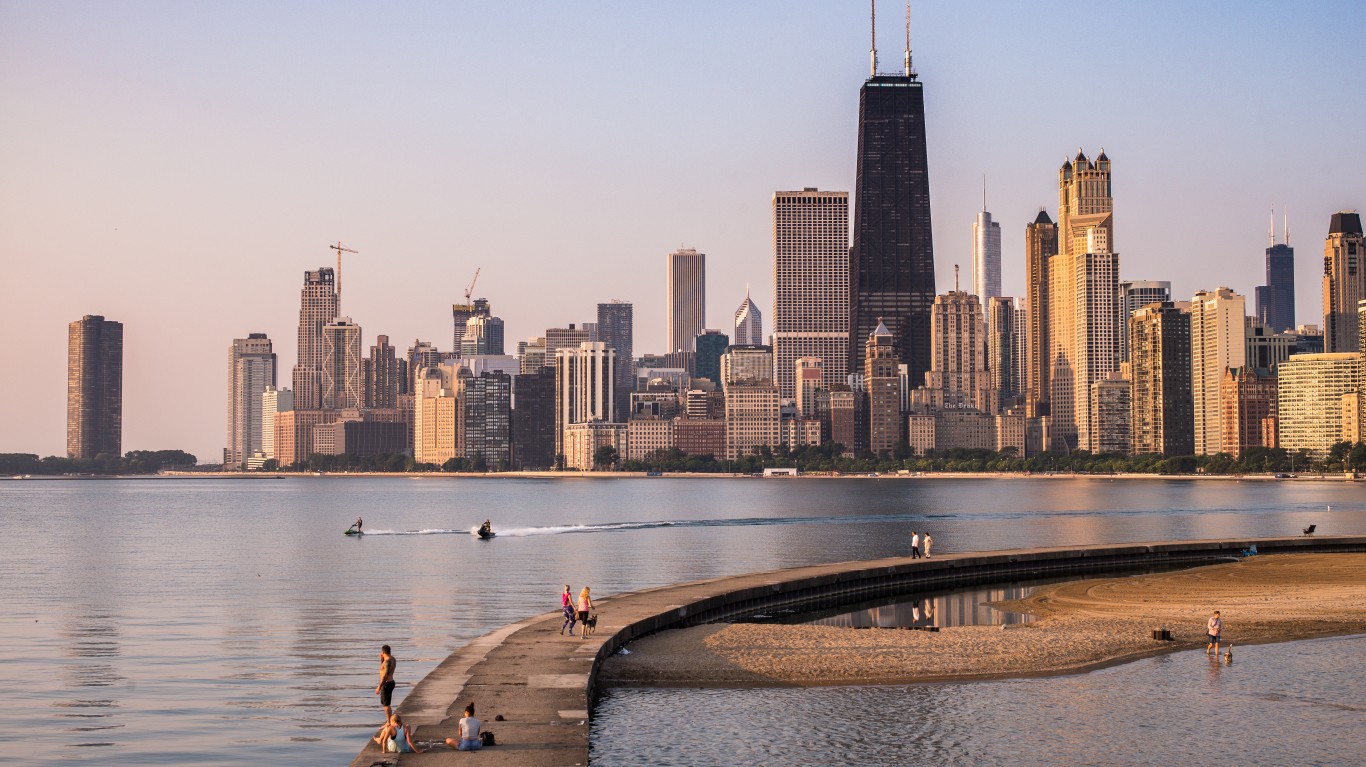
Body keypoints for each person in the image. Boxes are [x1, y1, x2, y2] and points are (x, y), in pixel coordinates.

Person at [376, 645, 396, 720]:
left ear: (383, 652)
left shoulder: (387, 662)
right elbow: (383, 669)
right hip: (391, 682)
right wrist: (381, 659)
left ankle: (388, 723)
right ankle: (389, 721)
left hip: (386, 684)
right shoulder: (393, 659)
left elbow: (385, 676)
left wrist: (379, 687)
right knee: (387, 704)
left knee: (386, 705)